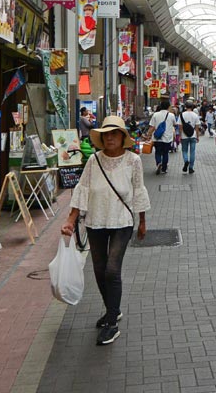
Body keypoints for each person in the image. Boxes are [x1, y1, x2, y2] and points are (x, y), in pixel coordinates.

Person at [60, 116, 150, 346]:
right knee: (99, 270)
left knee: (112, 270)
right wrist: (71, 220)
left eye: (114, 133)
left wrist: (142, 221)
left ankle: (112, 323)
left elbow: (139, 190)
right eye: (106, 134)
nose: (110, 137)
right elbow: (83, 189)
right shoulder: (94, 160)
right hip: (96, 220)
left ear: (122, 137)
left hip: (122, 222)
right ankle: (113, 309)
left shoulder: (133, 161)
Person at [146, 100, 175, 174]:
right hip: (167, 138)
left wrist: (148, 135)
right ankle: (164, 168)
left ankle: (158, 163)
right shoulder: (171, 115)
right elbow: (174, 124)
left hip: (157, 138)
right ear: (168, 107)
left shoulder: (155, 114)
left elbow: (152, 127)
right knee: (165, 153)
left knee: (158, 152)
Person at [179, 103, 201, 174]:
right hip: (193, 135)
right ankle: (191, 167)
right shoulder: (195, 115)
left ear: (185, 107)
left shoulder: (181, 115)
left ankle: (186, 161)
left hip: (184, 136)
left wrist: (180, 135)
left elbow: (180, 127)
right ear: (192, 107)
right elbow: (197, 127)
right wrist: (197, 136)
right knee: (192, 152)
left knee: (184, 150)